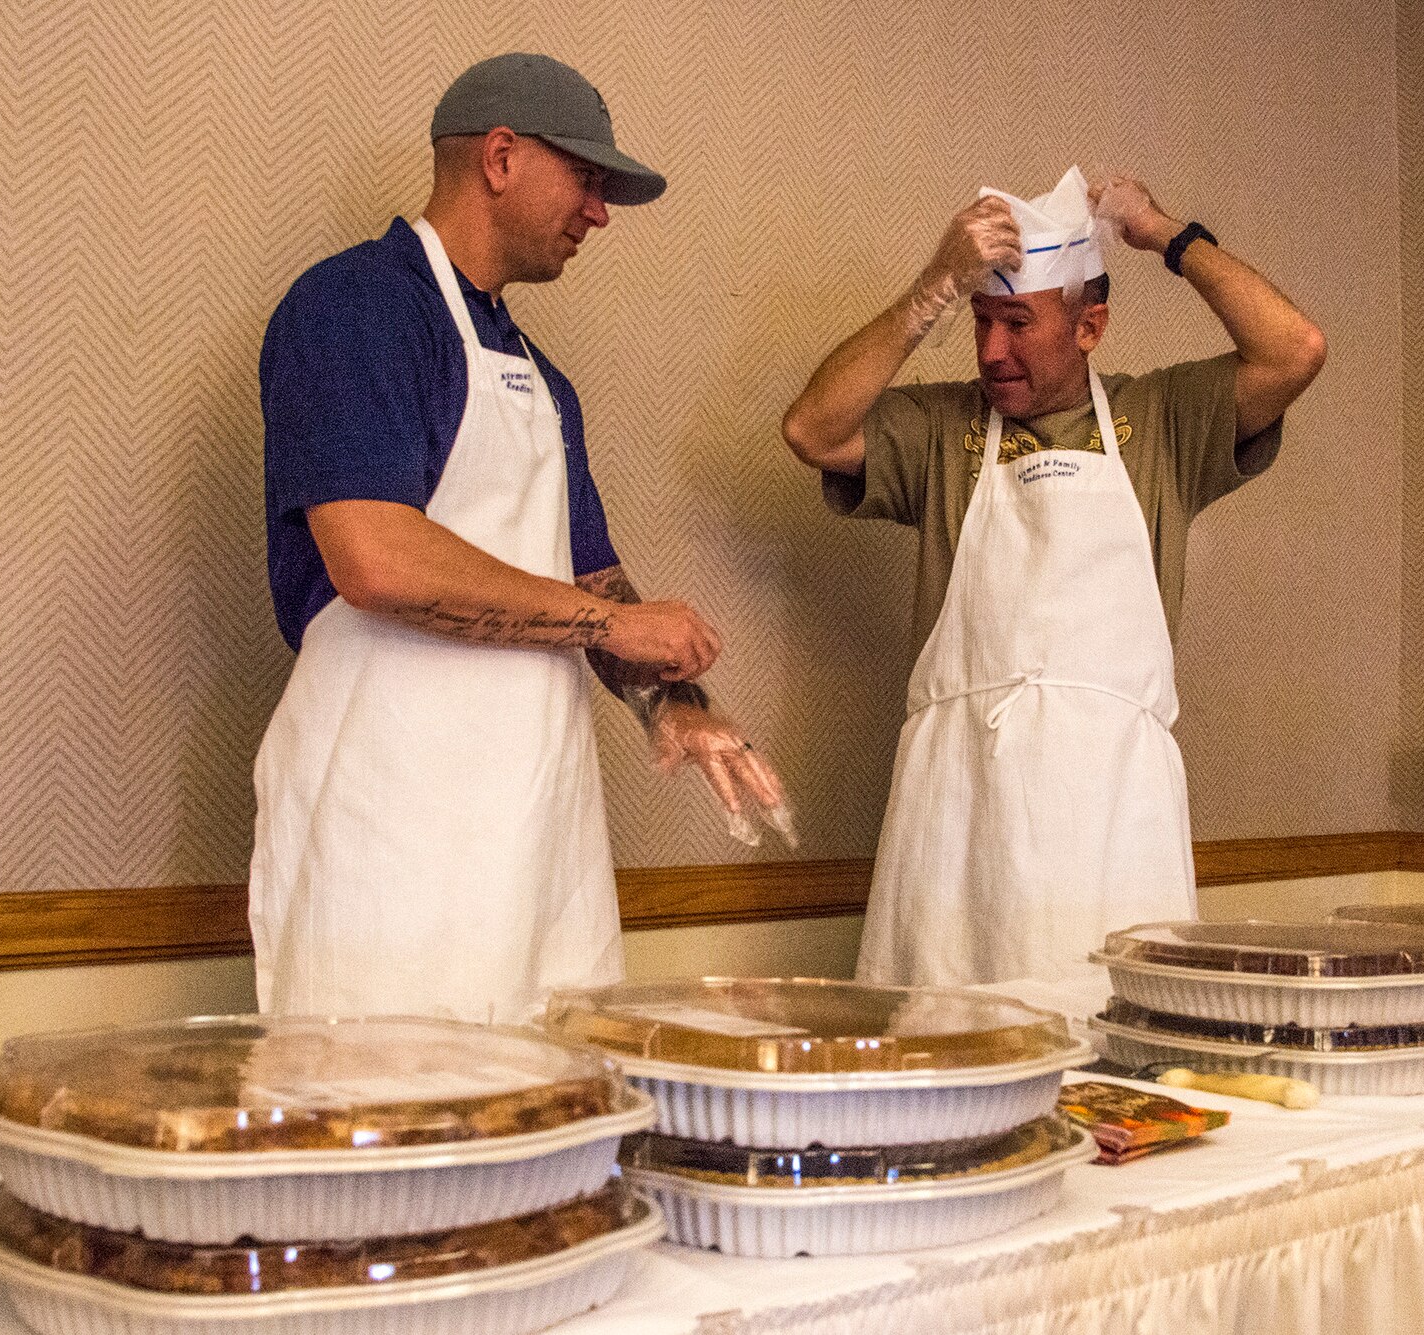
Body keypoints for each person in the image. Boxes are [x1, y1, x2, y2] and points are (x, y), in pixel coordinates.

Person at [251, 53, 787, 1024]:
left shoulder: (541, 382)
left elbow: (593, 578)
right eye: (585, 179)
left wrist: (674, 703)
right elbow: (374, 557)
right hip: (392, 825)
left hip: (534, 830)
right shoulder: (357, 310)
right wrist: (606, 626)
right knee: (391, 1126)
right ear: (499, 157)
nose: (598, 212)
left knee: (552, 1111)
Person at [782, 168, 1325, 988]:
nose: (992, 350)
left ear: (1089, 326)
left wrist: (1166, 234)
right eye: (980, 321)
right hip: (957, 813)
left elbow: (1296, 349)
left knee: (1111, 1055)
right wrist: (931, 289)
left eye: (1018, 323)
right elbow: (812, 429)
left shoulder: (1165, 424)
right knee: (947, 1052)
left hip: (1111, 814)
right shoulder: (943, 428)